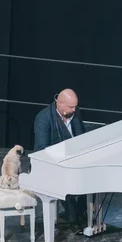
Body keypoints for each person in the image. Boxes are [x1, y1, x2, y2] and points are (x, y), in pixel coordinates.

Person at [33, 88, 87, 222]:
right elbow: (42, 149)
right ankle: (73, 218)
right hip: (51, 164)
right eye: (71, 107)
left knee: (94, 176)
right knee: (67, 180)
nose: (74, 110)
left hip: (74, 160)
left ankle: (83, 211)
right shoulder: (43, 118)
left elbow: (82, 136)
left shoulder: (75, 113)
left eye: (75, 106)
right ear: (60, 103)